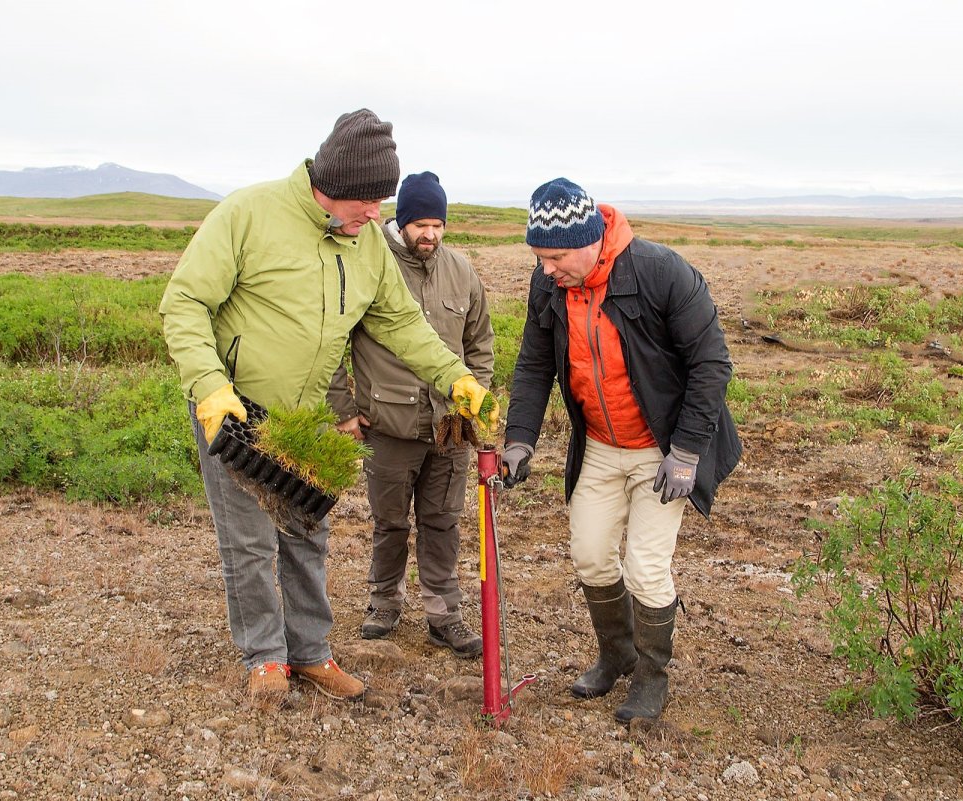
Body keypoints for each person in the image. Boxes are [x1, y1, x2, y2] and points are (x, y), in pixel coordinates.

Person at [159, 110, 495, 710]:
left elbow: (401, 323)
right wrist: (210, 385)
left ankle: (311, 653)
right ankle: (264, 658)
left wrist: (455, 376)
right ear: (332, 183)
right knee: (251, 541)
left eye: (380, 202)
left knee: (306, 534)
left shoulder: (366, 244)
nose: (376, 215)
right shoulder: (248, 214)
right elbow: (183, 301)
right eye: (368, 201)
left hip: (306, 417)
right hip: (236, 412)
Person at [500, 178, 742, 724]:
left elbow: (711, 365)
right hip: (602, 450)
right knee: (589, 553)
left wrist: (685, 452)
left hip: (663, 451)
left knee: (646, 567)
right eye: (539, 257)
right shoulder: (551, 289)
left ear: (591, 241)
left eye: (555, 256)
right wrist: (520, 438)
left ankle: (653, 680)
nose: (546, 269)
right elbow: (534, 366)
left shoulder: (661, 273)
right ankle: (618, 655)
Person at [328, 171, 494, 659]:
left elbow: (480, 344)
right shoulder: (369, 267)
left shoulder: (462, 272)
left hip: (449, 432)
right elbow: (334, 343)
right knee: (391, 522)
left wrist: (473, 401)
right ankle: (384, 604)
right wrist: (345, 409)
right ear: (401, 222)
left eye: (438, 224)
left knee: (443, 522)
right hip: (389, 428)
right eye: (420, 223)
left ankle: (444, 614)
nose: (431, 234)